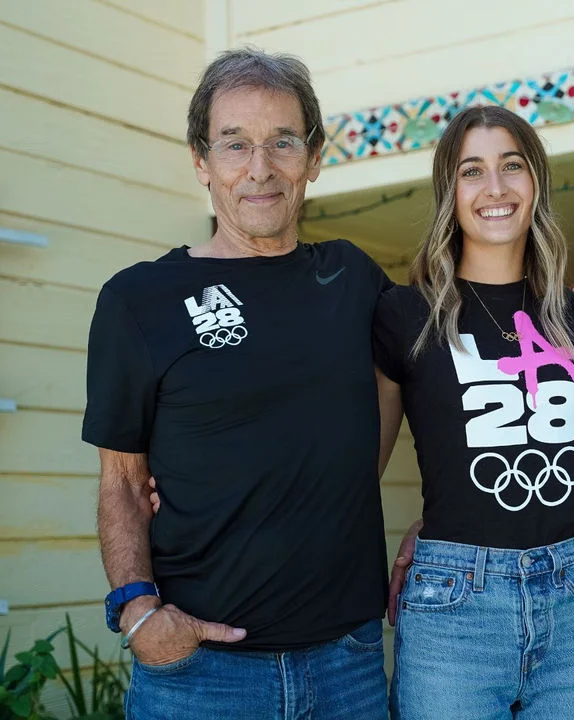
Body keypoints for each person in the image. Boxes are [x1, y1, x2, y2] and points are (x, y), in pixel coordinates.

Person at [83, 48, 392, 719]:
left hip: (349, 666)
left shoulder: (352, 279)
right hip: (201, 677)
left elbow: (446, 341)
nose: (261, 169)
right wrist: (137, 610)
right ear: (201, 161)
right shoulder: (139, 301)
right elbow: (123, 483)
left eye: (283, 142)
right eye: (235, 145)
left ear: (313, 157)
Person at [373, 106, 574, 719]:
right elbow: (355, 466)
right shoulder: (405, 316)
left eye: (512, 166)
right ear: (448, 192)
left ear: (536, 182)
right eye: (471, 171)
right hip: (453, 603)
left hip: (573, 594)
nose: (496, 188)